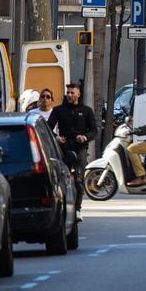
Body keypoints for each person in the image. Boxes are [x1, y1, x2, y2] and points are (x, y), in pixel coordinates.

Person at [48, 82, 96, 213]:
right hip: (64, 148)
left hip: (80, 148)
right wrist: (56, 137)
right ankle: (63, 208)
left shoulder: (86, 110)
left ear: (78, 94)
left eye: (72, 92)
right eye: (68, 92)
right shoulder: (58, 110)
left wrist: (85, 137)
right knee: (64, 180)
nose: (69, 95)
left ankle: (77, 209)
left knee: (79, 181)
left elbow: (94, 130)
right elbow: (48, 128)